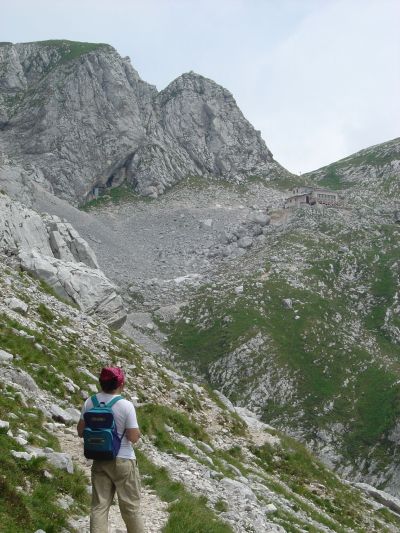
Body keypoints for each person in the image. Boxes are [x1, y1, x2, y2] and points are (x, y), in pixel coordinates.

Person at [77, 367, 144, 533]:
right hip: (124, 460)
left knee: (99, 507)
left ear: (102, 382)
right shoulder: (126, 405)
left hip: (100, 459)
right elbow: (133, 437)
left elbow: (80, 431)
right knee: (130, 509)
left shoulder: (89, 402)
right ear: (121, 384)